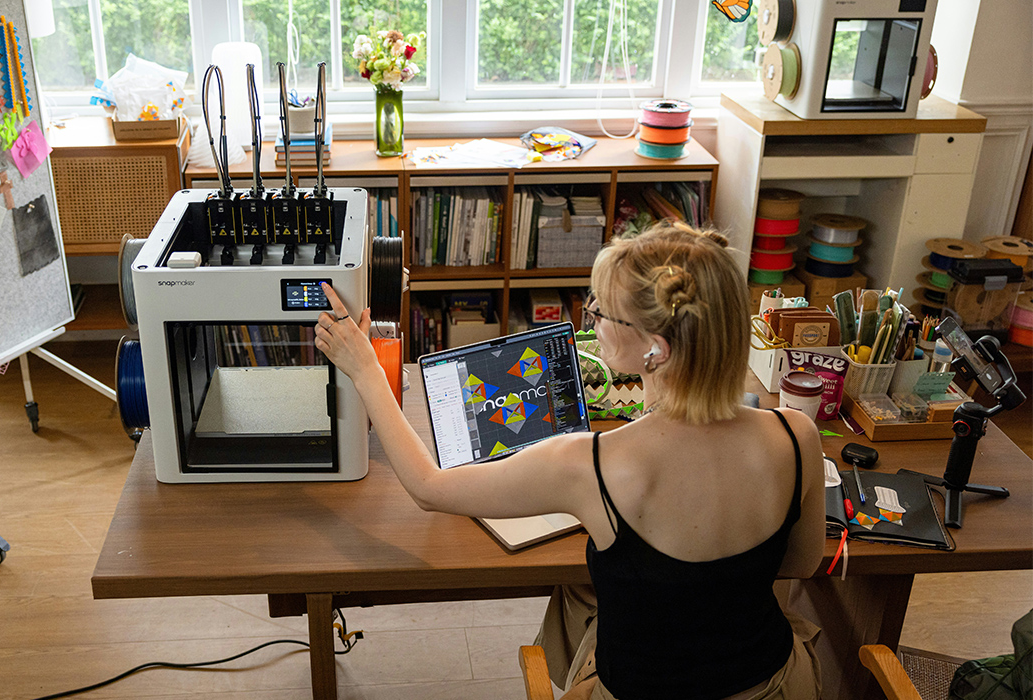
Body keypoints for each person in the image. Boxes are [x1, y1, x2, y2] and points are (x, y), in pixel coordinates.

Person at [313, 221, 825, 700]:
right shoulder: (797, 433)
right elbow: (801, 563)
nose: (593, 319)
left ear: (656, 350)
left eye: (604, 313)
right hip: (772, 683)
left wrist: (366, 371)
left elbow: (427, 488)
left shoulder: (591, 464)